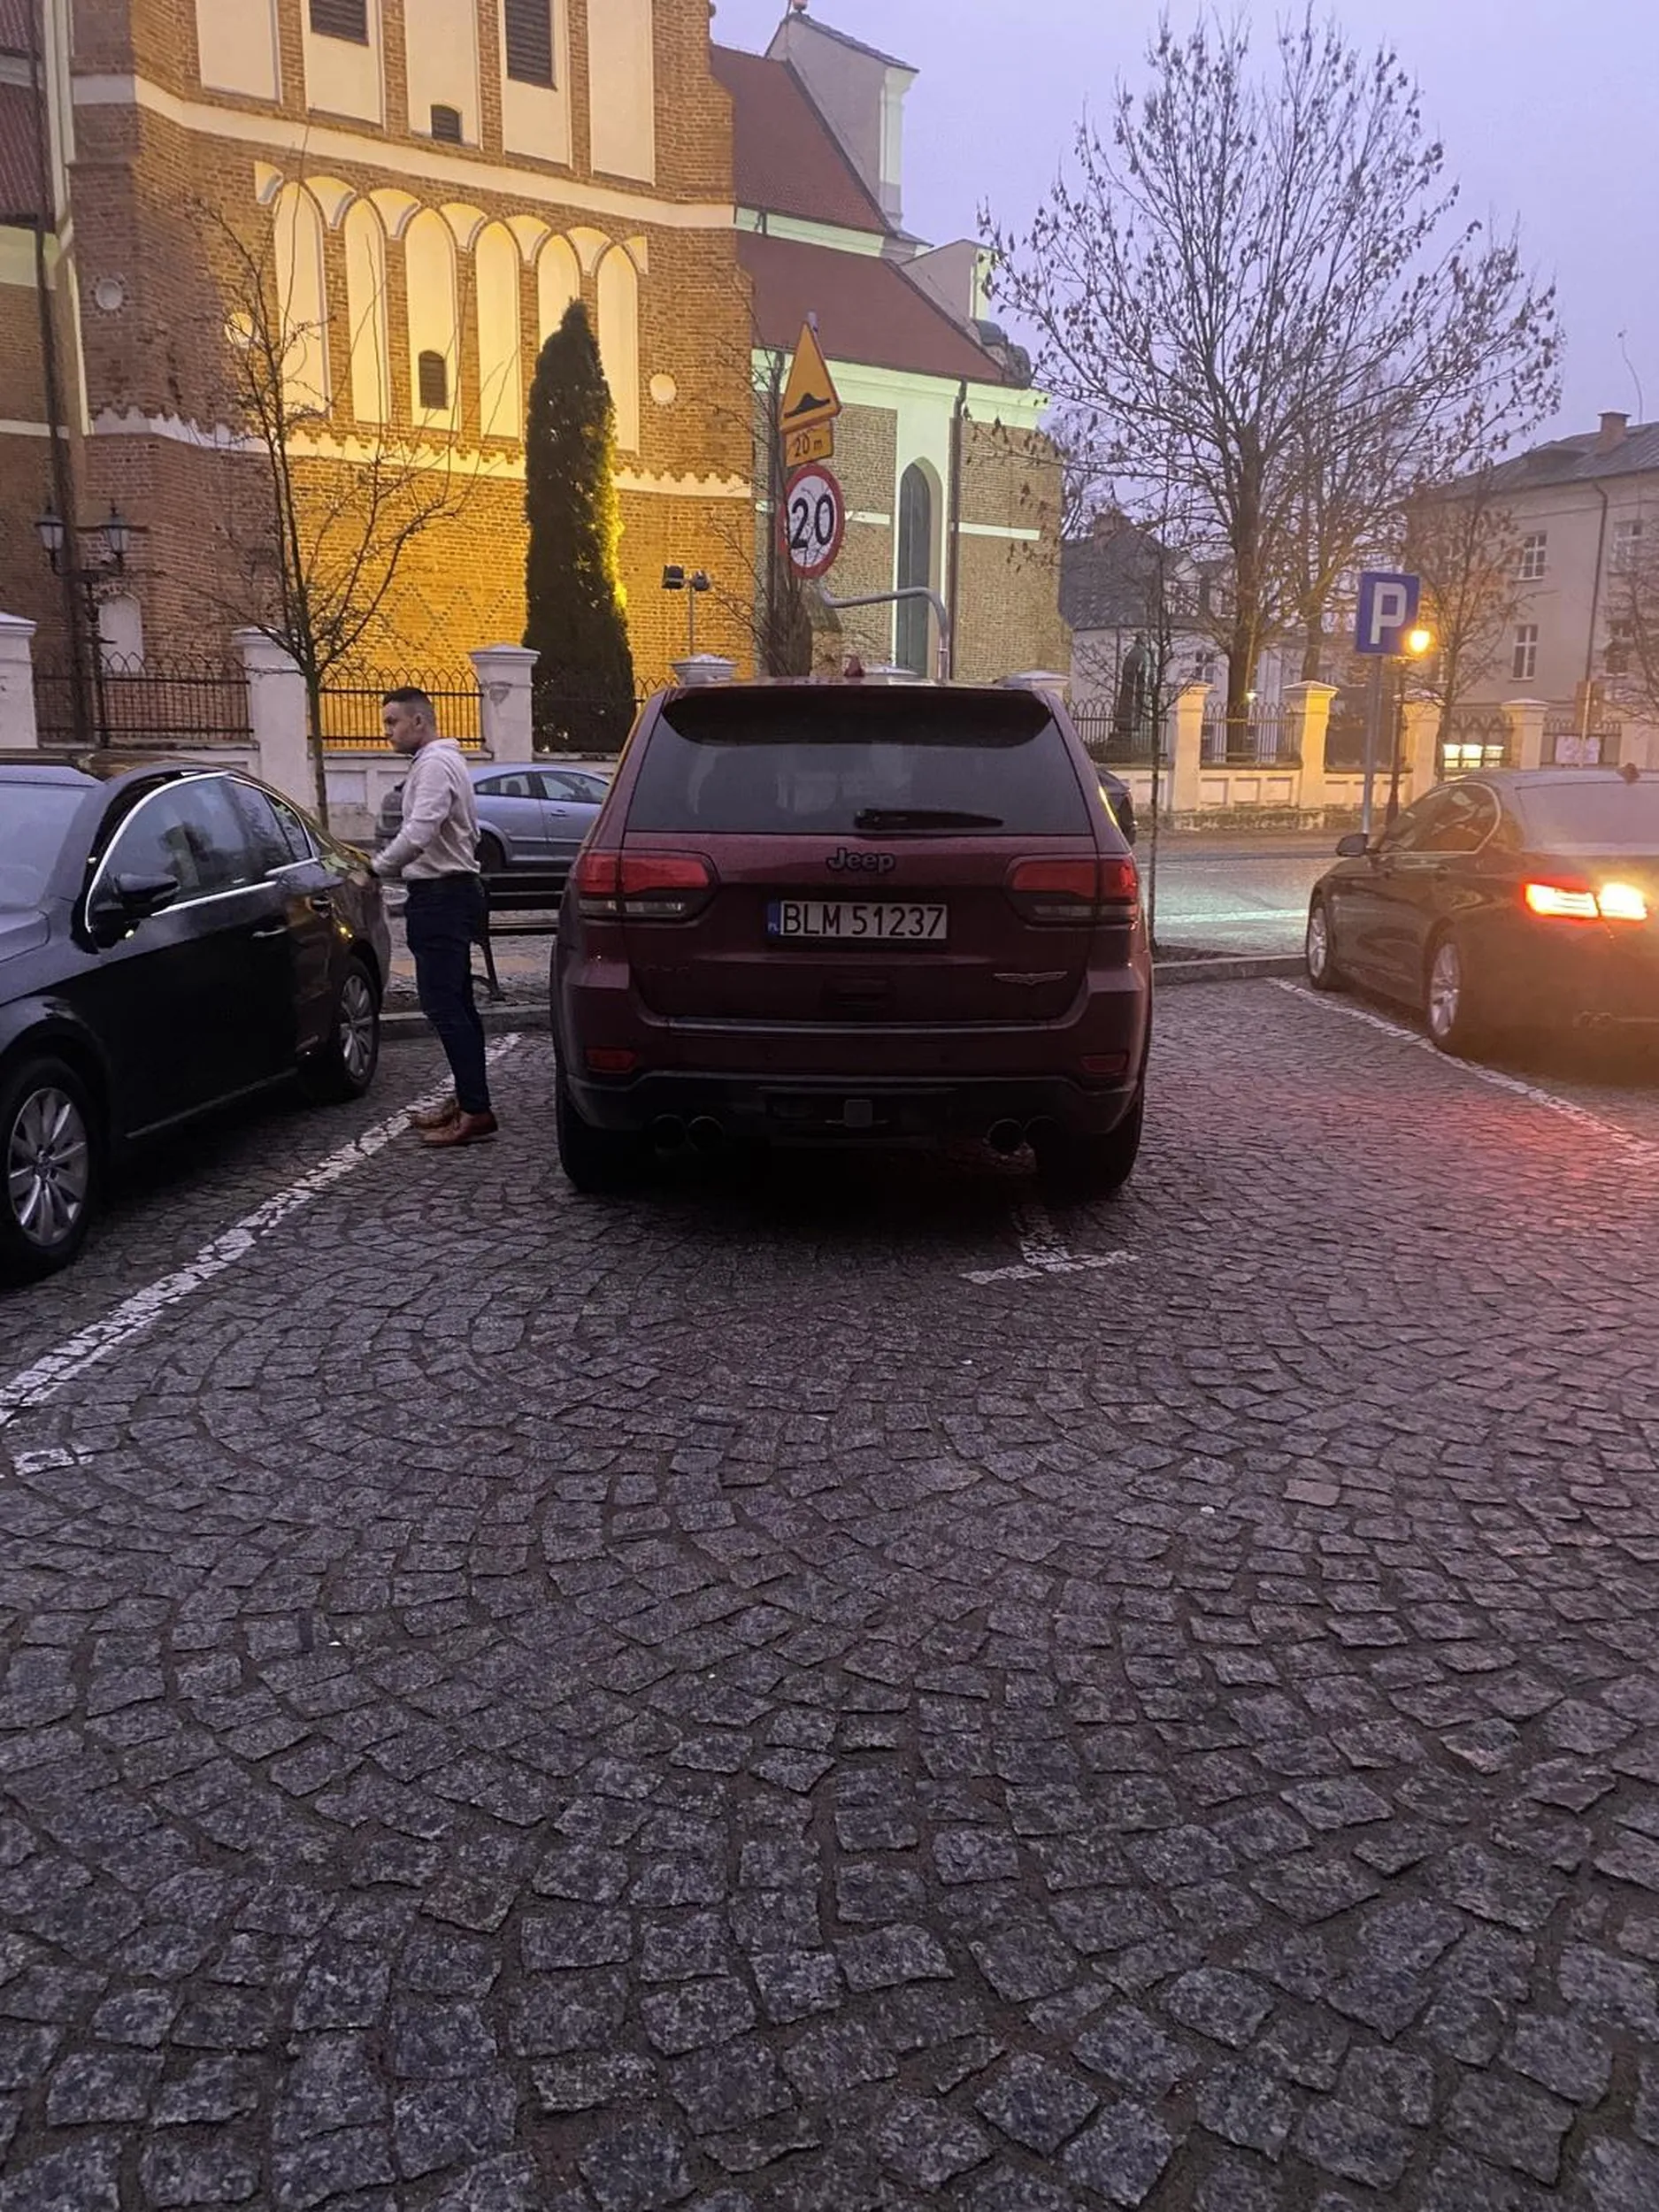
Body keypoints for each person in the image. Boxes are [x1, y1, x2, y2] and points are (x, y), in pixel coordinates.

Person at [371, 687, 498, 1148]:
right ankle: (469, 1099)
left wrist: (377, 867)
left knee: (445, 1005)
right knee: (458, 1003)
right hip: (450, 893)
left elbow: (420, 831)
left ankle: (476, 1110)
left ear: (419, 722)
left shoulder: (434, 765)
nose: (387, 732)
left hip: (442, 896)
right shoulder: (444, 762)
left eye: (392, 722)